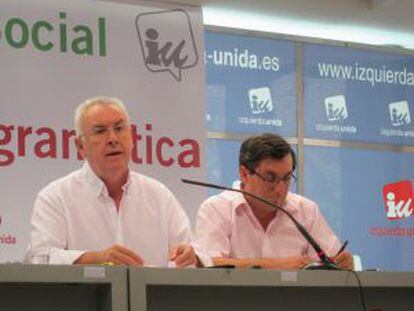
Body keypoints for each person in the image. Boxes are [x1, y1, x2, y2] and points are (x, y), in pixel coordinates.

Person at [25, 96, 201, 267]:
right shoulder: (56, 197)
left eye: (119, 128)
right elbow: (40, 259)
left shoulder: (159, 195)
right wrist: (97, 259)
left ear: (132, 138)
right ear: (80, 146)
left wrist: (189, 256)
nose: (113, 139)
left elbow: (191, 252)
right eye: (100, 131)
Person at [195, 133, 354, 270]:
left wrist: (342, 264)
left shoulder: (306, 210)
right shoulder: (216, 208)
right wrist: (277, 266)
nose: (280, 189)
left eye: (286, 178)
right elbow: (209, 264)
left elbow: (330, 263)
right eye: (270, 178)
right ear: (244, 174)